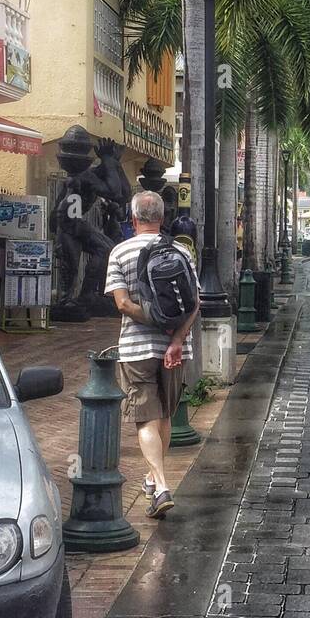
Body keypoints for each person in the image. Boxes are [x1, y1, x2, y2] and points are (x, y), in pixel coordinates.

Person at [104, 191, 199, 518]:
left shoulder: (120, 251)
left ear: (133, 220)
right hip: (176, 349)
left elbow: (122, 304)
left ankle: (159, 485)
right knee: (165, 417)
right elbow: (194, 304)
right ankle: (152, 479)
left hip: (136, 348)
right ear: (163, 217)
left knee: (146, 418)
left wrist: (152, 319)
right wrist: (174, 339)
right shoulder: (181, 251)